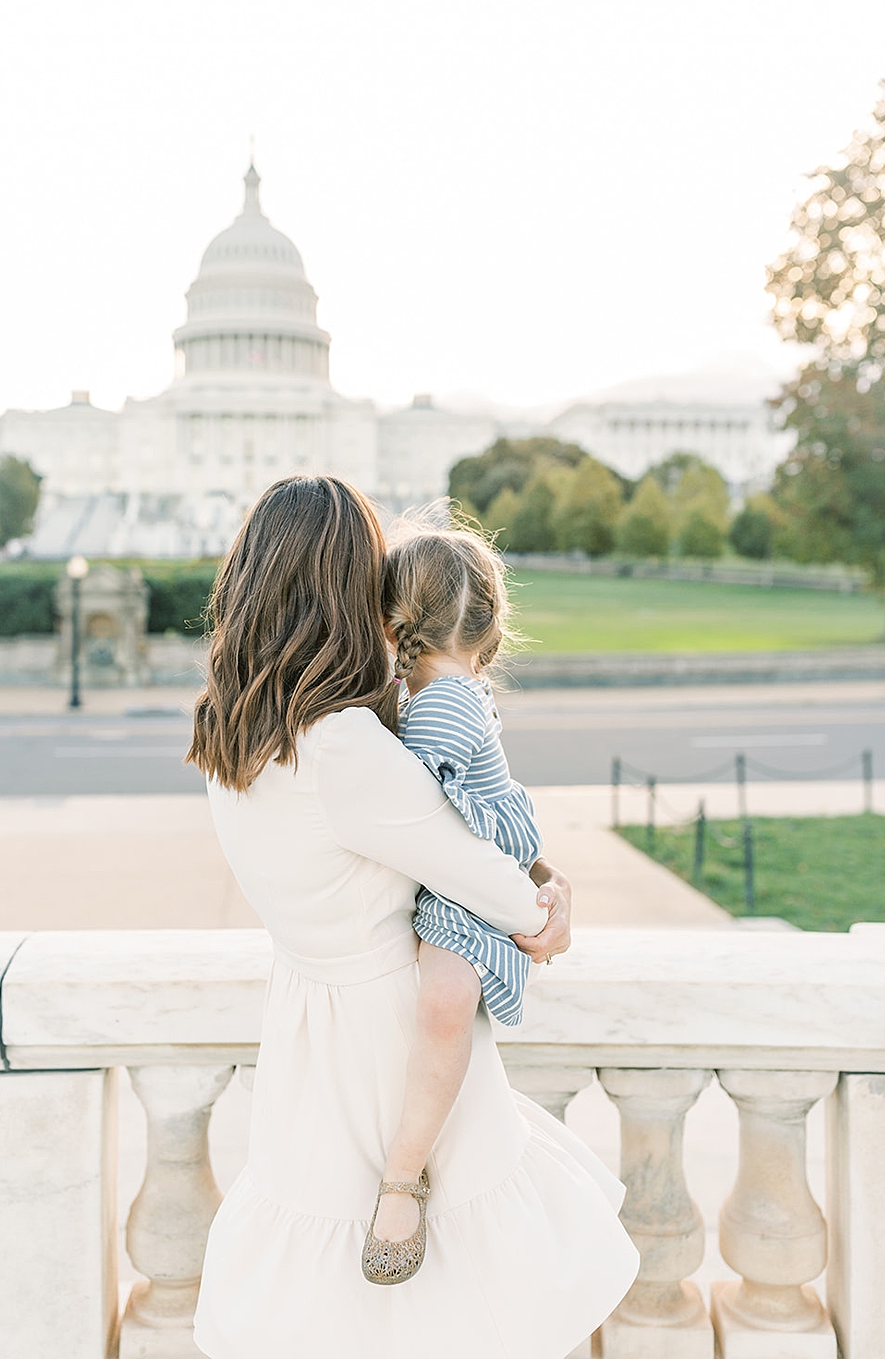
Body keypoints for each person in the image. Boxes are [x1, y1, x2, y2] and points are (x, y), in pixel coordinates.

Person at [188, 476, 639, 1359]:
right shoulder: (343, 743)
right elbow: (487, 879)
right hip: (387, 1030)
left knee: (331, 1288)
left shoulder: (232, 731)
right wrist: (547, 900)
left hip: (309, 1021)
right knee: (447, 1297)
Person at [363, 526, 546, 1285]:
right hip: (465, 872)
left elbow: (403, 809)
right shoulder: (442, 693)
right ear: (490, 626)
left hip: (461, 891)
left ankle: (402, 1174)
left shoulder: (442, 703)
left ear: (390, 620)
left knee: (443, 1001)